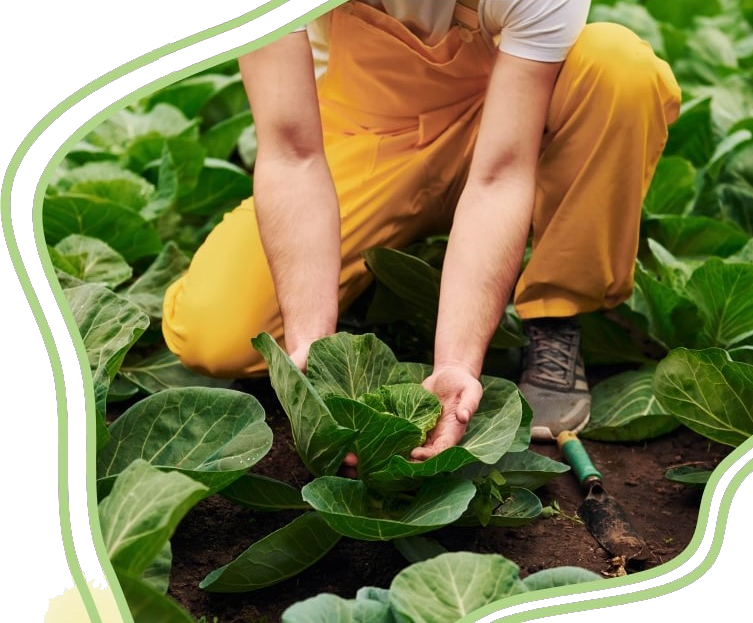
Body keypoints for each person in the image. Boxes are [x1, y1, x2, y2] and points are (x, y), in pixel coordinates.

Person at [161, 0, 681, 463]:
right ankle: (374, 275)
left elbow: (500, 175)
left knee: (621, 70)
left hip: (508, 126)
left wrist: (456, 362)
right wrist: (317, 351)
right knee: (215, 337)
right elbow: (293, 153)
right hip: (365, 135)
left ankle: (556, 311)